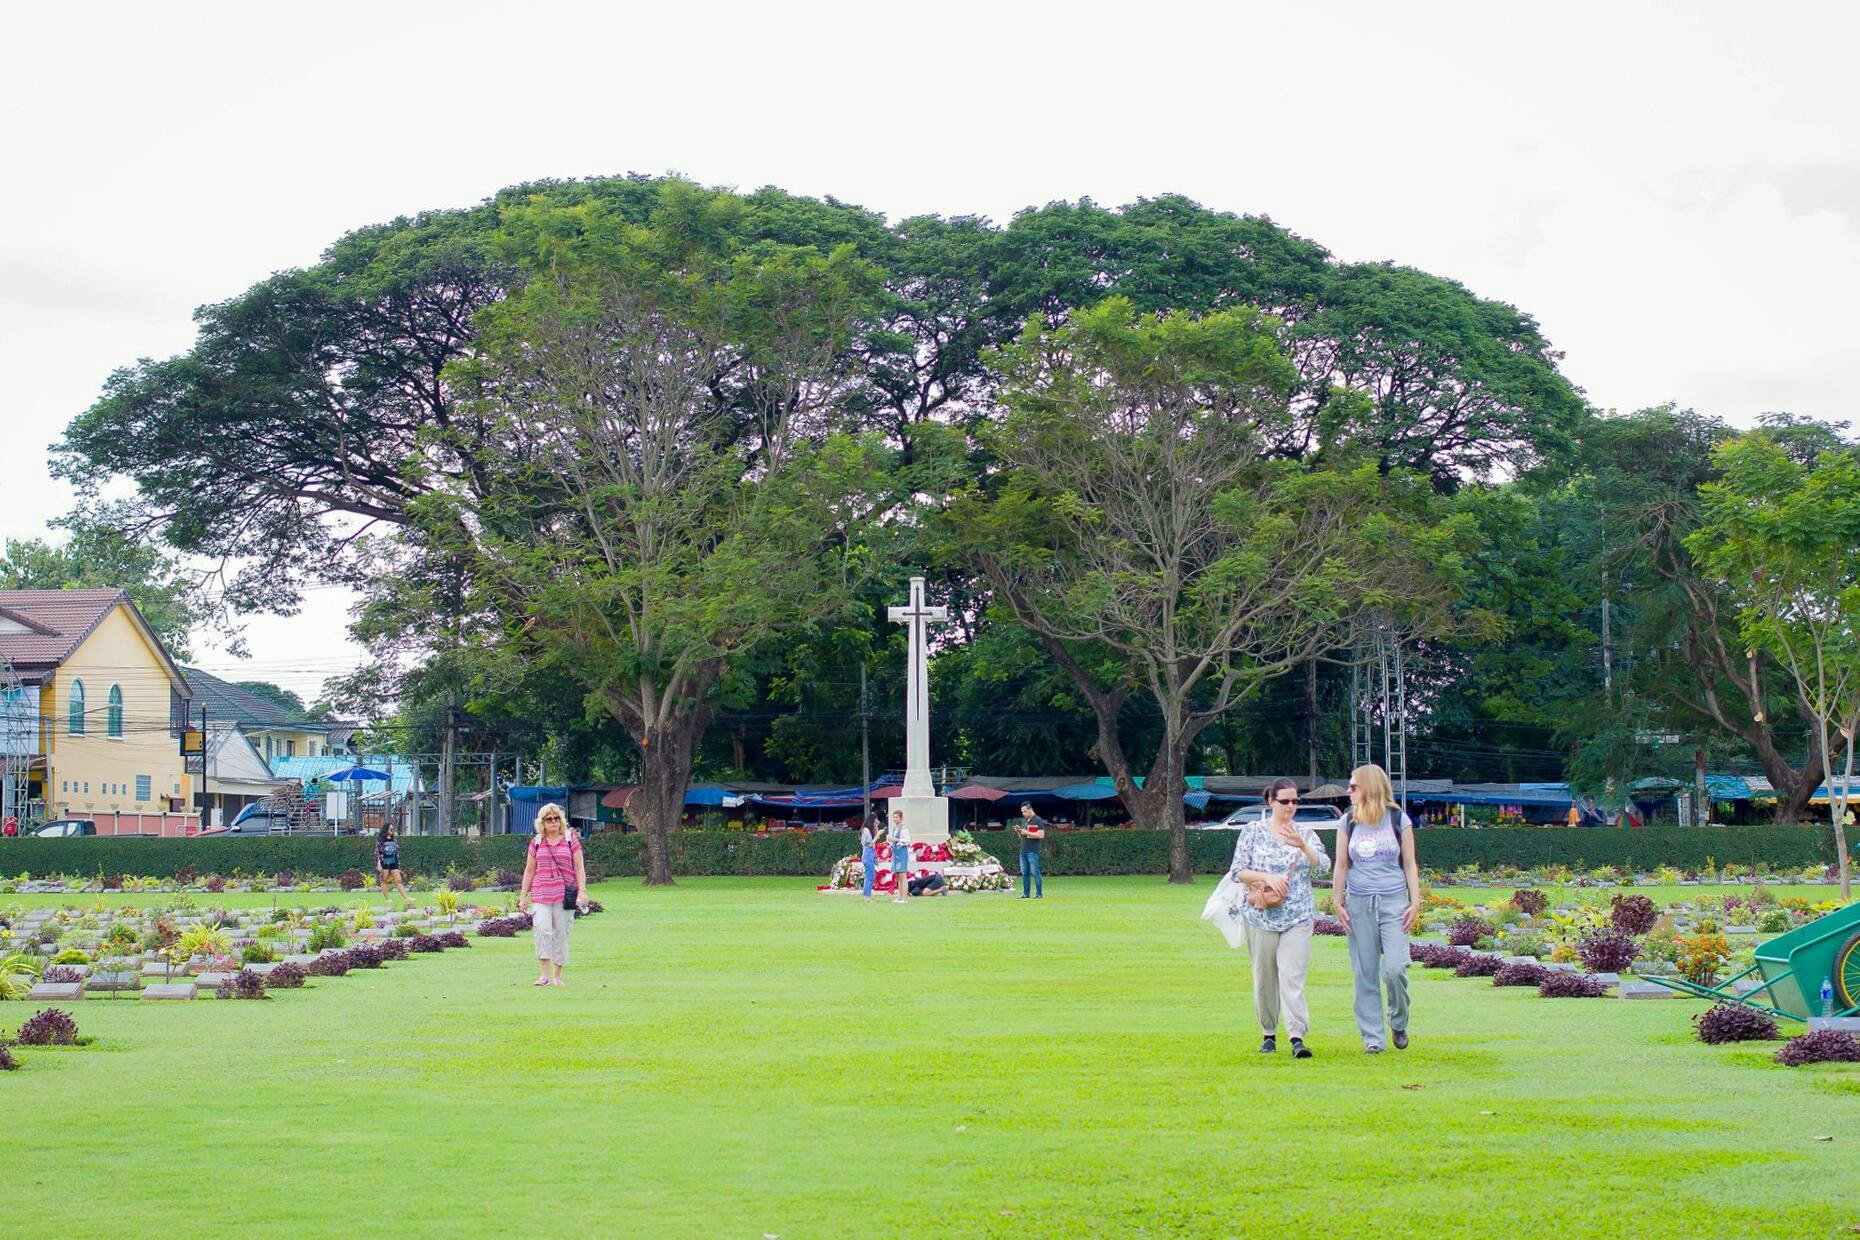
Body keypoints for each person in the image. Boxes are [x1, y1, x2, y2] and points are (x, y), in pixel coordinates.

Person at [1229, 777, 1330, 1059]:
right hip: (1261, 914)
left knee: (1292, 975)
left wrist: (1304, 847)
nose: (1290, 806)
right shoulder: (1253, 831)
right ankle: (1268, 1033)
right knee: (1264, 977)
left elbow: (1323, 867)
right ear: (1271, 802)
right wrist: (1267, 877)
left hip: (1297, 915)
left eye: (1295, 801)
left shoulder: (1306, 834)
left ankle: (1297, 1036)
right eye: (1284, 801)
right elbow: (1238, 871)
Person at [1333, 764, 1422, 1054]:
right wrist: (1338, 901)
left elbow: (1409, 864)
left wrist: (1415, 901)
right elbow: (1342, 865)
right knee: (1365, 972)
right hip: (1359, 904)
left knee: (1395, 969)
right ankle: (1373, 1037)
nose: (1348, 791)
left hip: (1394, 902)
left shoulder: (1399, 819)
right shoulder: (1348, 822)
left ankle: (1398, 1020)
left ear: (1370, 787)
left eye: (1354, 786)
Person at [518, 802, 589, 986]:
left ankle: (557, 975)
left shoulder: (570, 839)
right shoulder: (537, 842)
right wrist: (523, 894)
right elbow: (529, 870)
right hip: (541, 892)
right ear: (542, 822)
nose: (553, 822)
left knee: (561, 933)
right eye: (549, 819)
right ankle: (544, 975)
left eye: (556, 818)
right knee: (542, 929)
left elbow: (579, 867)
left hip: (566, 893)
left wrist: (582, 890)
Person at [1015, 803, 1048, 899]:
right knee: (1025, 873)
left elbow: (1041, 835)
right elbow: (1022, 836)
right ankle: (1026, 894)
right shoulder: (1024, 821)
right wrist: (1019, 831)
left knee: (1035, 872)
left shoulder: (1038, 820)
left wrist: (1026, 832)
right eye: (1022, 812)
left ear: (1030, 809)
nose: (1023, 813)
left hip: (1032, 851)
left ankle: (1039, 894)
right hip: (1023, 851)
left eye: (1025, 811)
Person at [374, 823, 408, 902]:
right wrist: (378, 863)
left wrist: (398, 863)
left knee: (398, 880)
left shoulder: (394, 840)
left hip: (393, 862)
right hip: (384, 861)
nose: (392, 831)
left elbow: (397, 851)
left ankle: (406, 898)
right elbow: (377, 852)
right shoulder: (381, 840)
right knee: (384, 880)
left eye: (393, 829)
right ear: (386, 830)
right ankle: (387, 899)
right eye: (391, 829)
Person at [886, 810, 911, 903]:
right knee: (897, 876)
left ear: (901, 818)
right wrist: (890, 844)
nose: (895, 819)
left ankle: (904, 898)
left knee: (903, 876)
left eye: (896, 817)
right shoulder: (893, 829)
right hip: (895, 853)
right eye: (894, 817)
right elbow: (892, 841)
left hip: (902, 853)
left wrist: (896, 839)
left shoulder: (904, 829)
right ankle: (899, 897)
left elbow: (907, 841)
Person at [859, 814, 880, 902]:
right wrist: (878, 834)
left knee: (871, 876)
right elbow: (870, 843)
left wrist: (876, 828)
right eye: (875, 821)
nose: (876, 823)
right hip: (867, 856)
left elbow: (875, 841)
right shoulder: (866, 830)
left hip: (870, 855)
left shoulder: (869, 830)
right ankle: (867, 897)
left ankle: (868, 896)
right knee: (870, 876)